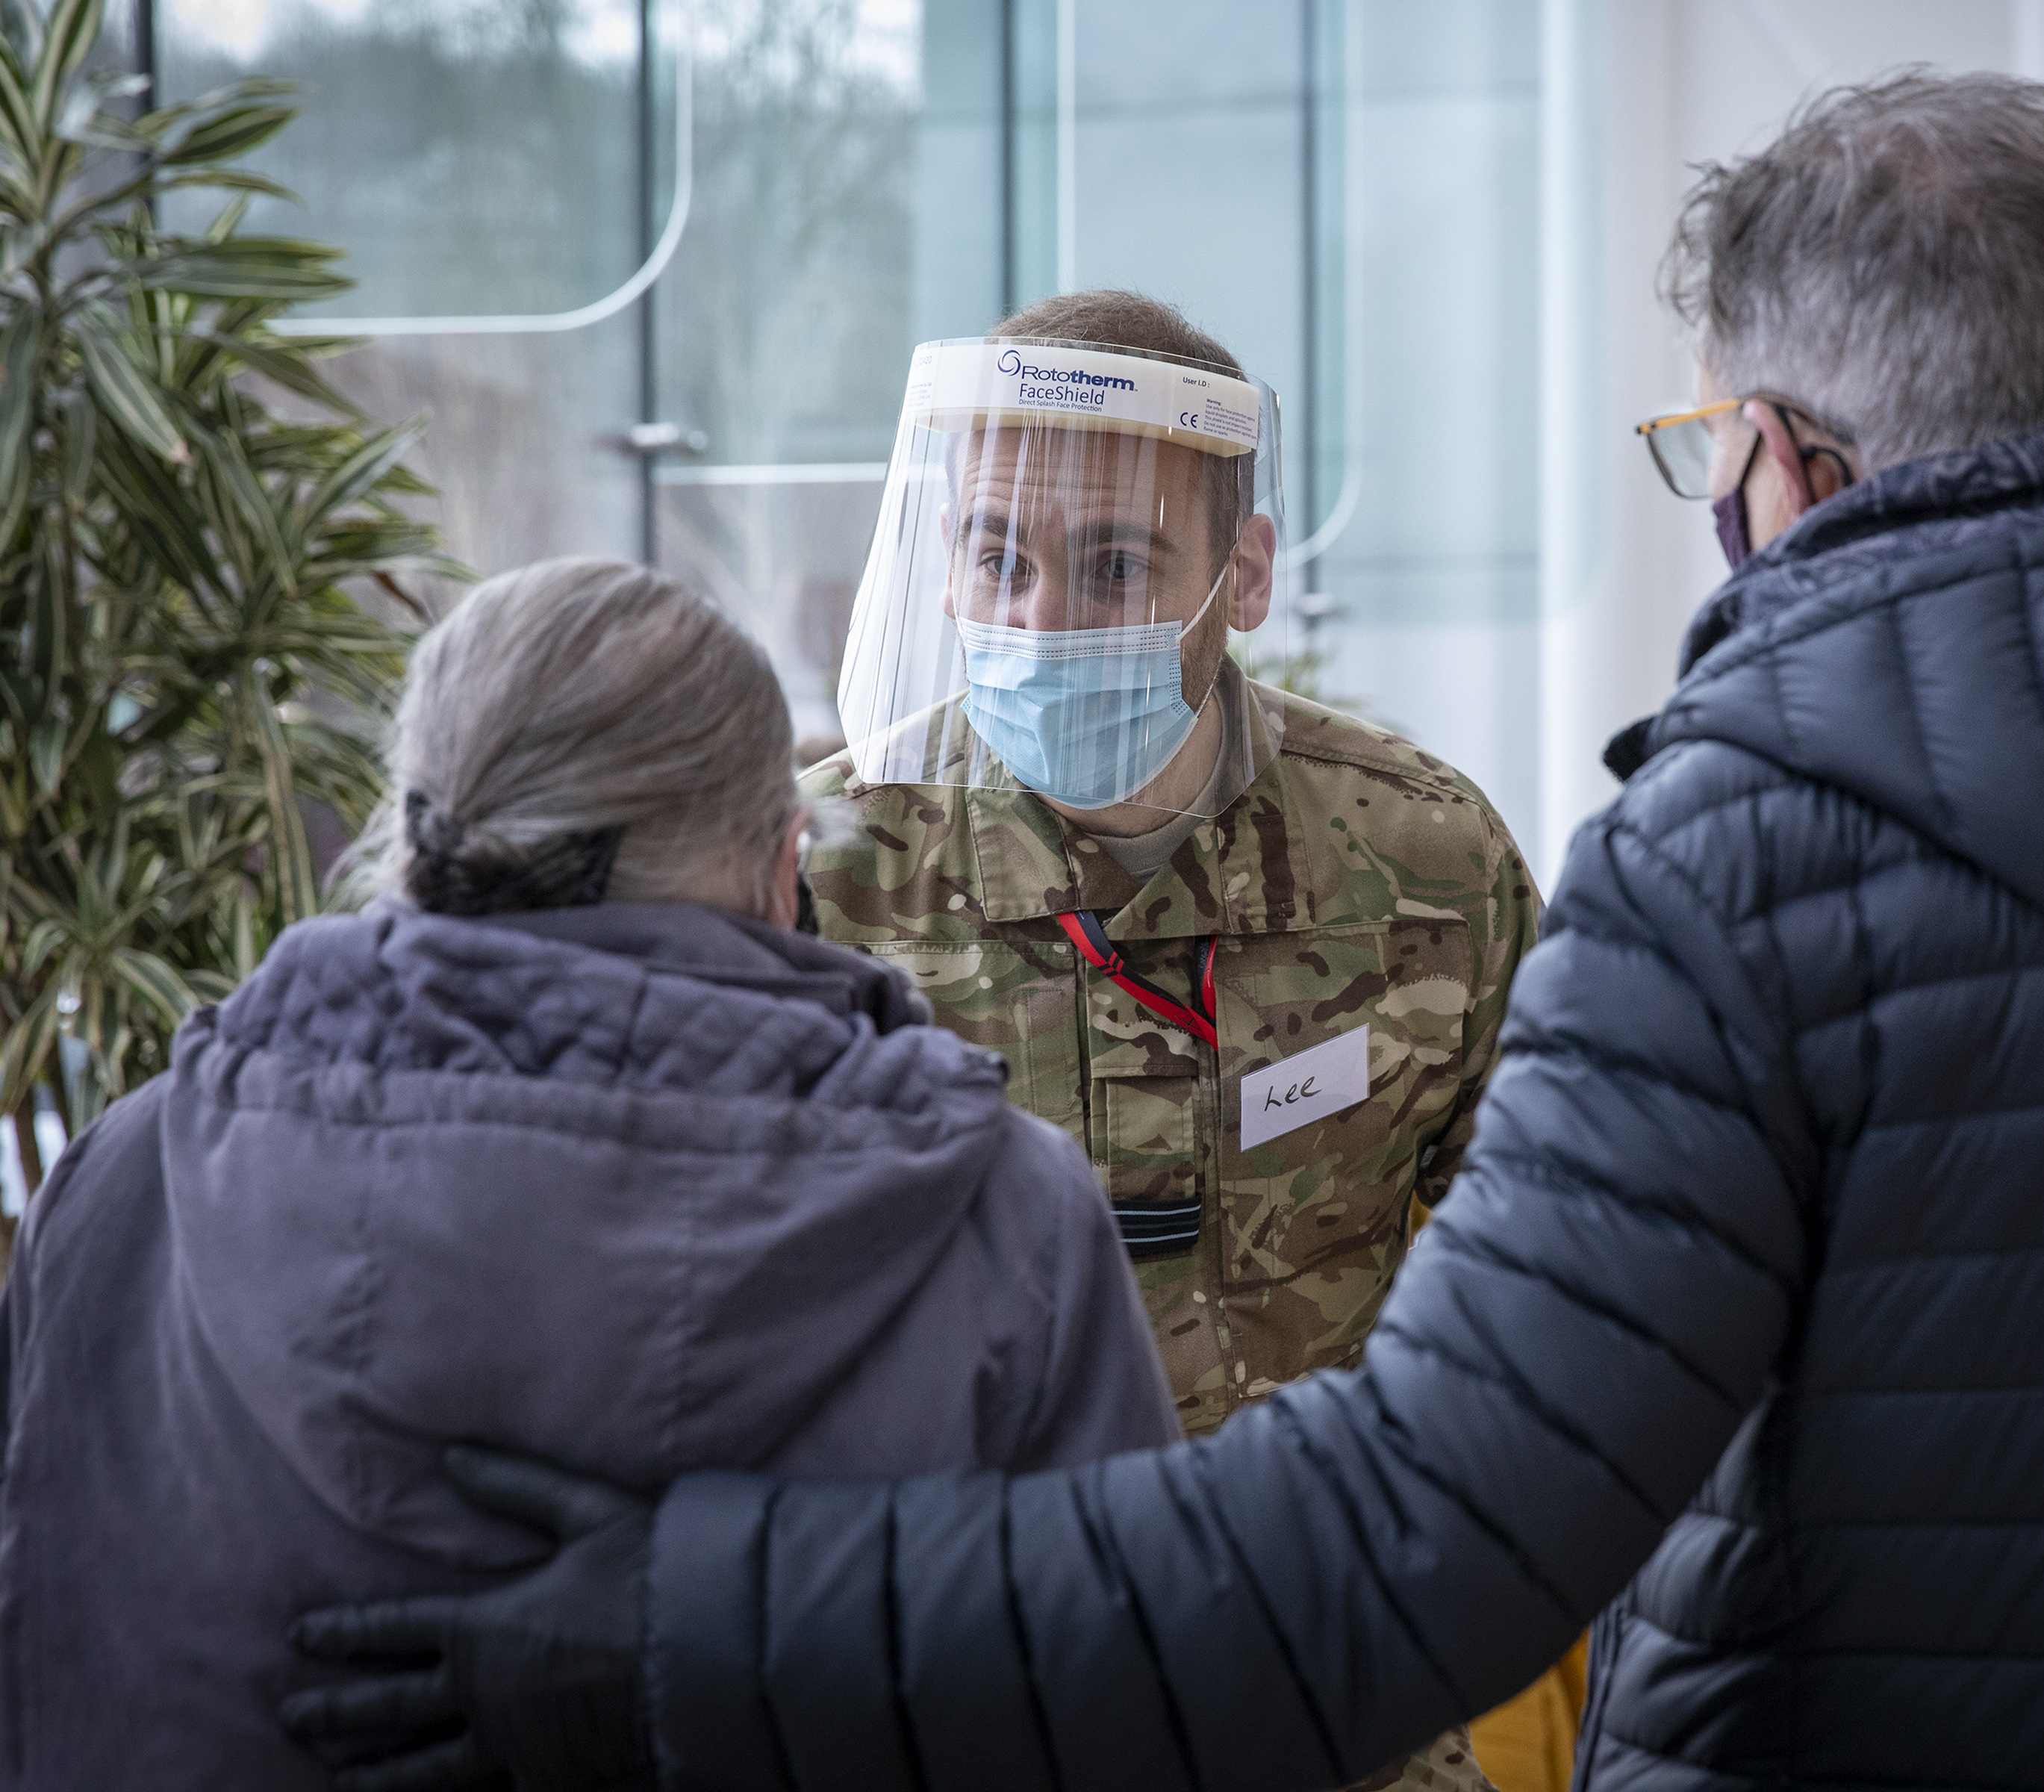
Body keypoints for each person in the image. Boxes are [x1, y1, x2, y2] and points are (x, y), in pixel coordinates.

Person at [285, 73, 2044, 1792]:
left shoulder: (1725, 870)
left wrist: (686, 1640)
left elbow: (1419, 1535)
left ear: (1790, 466)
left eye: (1701, 458)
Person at [0, 559, 1176, 1788]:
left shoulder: (126, 1181)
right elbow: (1146, 1696)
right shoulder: (1001, 1218)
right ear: (784, 860)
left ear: (410, 834)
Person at [797, 289, 1542, 1792]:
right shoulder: (832, 877)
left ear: (1244, 576)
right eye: (996, 558)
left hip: (1330, 1690)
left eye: (1117, 565)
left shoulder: (1423, 864)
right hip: (954, 1694)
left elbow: (1553, 1277)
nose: (1040, 622)